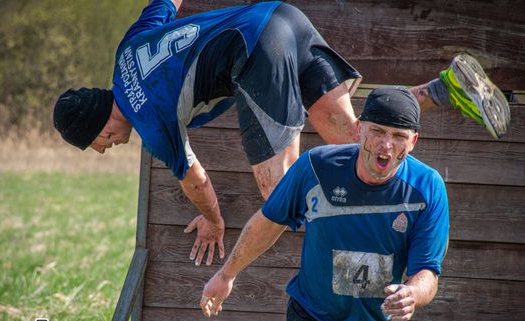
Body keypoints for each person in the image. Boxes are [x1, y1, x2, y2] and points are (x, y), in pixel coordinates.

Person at [52, 0, 506, 267]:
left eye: (97, 143)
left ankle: (353, 255)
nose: (105, 149)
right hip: (283, 17)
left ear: (98, 124)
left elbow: (196, 180)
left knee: (281, 195)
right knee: (354, 137)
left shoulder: (148, 120)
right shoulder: (128, 49)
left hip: (257, 54)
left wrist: (213, 221)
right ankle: (443, 88)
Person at [200, 86, 450, 321]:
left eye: (399, 136)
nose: (386, 145)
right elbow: (268, 222)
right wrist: (226, 274)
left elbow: (427, 272)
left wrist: (413, 293)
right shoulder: (316, 167)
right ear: (358, 129)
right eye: (377, 131)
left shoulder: (427, 188)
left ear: (413, 141)